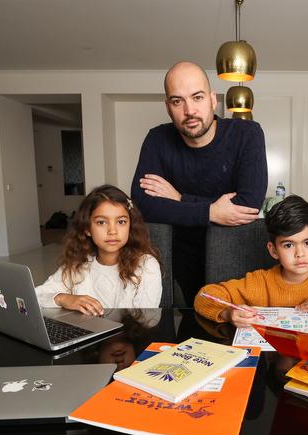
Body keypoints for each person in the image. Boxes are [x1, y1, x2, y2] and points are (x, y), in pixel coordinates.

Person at [131, 61, 268, 305]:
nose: (189, 110)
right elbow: (143, 204)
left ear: (212, 99)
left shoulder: (247, 134)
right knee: (192, 321)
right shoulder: (157, 139)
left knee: (232, 321)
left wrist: (180, 199)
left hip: (233, 250)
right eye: (177, 101)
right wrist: (211, 211)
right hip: (180, 254)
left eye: (197, 97)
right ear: (168, 107)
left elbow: (248, 204)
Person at [194, 195, 308, 327]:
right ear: (273, 250)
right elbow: (204, 296)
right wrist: (228, 313)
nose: (300, 253)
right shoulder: (258, 282)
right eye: (288, 245)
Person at [35, 185, 162, 313]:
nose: (112, 231)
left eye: (121, 222)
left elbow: (147, 319)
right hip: (86, 331)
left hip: (129, 332)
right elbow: (34, 297)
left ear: (130, 226)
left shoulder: (146, 265)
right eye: (101, 222)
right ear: (87, 229)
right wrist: (63, 298)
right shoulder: (78, 264)